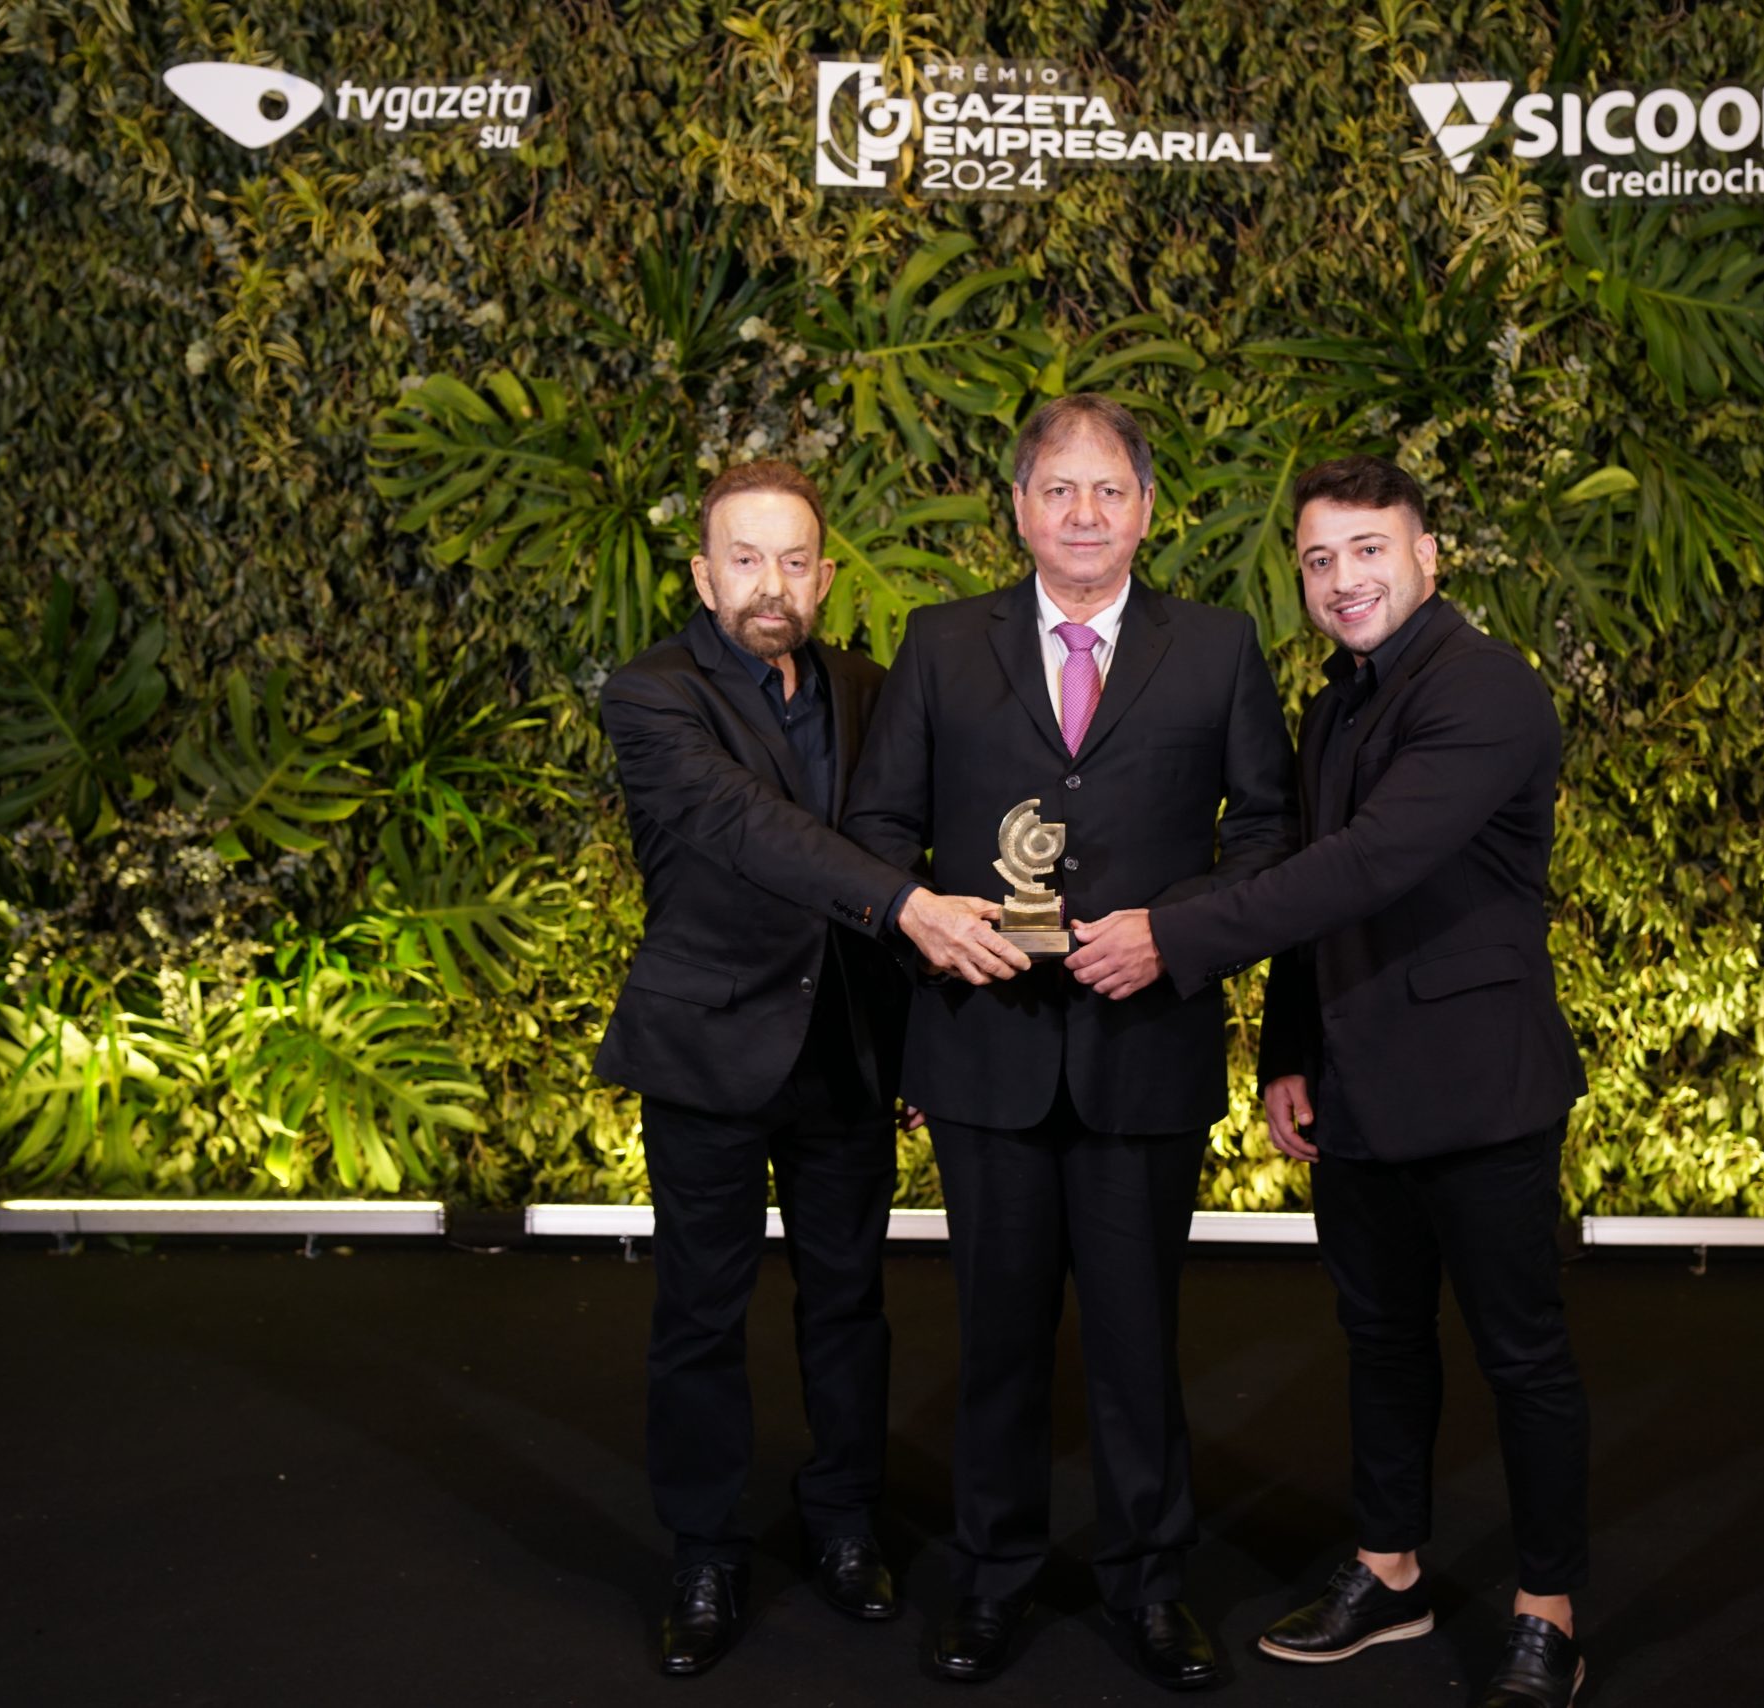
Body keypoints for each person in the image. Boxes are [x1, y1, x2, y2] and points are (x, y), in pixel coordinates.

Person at [1067, 455, 1592, 1706]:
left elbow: (1365, 865)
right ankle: (1390, 1570)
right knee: (1380, 1340)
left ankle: (1548, 1613)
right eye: (1318, 559)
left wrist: (1172, 935)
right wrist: (1288, 1051)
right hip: (1356, 1082)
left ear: (1426, 556)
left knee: (1522, 1357)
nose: (1342, 578)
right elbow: (1317, 893)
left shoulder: (1485, 688)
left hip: (1480, 1084)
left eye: (1367, 550)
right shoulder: (1338, 701)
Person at [842, 394, 1297, 1690]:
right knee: (993, 1335)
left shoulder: (1217, 648)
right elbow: (877, 831)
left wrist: (1175, 933)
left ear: (1147, 508)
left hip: (1143, 1044)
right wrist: (927, 927)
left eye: (1108, 490)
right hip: (981, 1047)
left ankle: (1150, 1586)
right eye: (1058, 489)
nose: (1084, 513)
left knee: (1140, 1338)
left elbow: (1269, 836)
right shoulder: (941, 644)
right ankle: (990, 1582)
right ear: (1019, 508)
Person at [596, 459, 1025, 1677]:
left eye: (793, 561)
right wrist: (908, 908)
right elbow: (749, 829)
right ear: (703, 574)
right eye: (745, 559)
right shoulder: (651, 695)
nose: (770, 585)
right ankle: (702, 1551)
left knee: (849, 1303)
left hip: (845, 1045)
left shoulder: (868, 688)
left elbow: (927, 828)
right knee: (699, 1312)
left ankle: (844, 1523)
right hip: (708, 1046)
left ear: (825, 574)